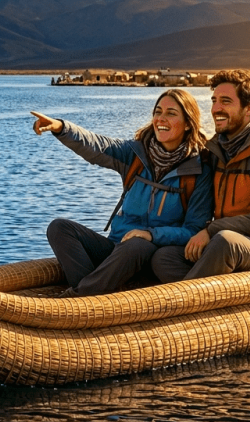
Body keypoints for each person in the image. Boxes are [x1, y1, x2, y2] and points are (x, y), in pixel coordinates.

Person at [32, 89, 214, 297]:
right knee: (59, 228)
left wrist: (150, 234)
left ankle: (78, 298)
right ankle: (94, 292)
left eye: (171, 113)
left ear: (189, 123)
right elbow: (97, 145)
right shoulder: (135, 154)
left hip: (151, 254)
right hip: (117, 248)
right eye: (158, 112)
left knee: (138, 245)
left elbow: (193, 230)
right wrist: (62, 128)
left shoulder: (199, 171)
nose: (161, 119)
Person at [150, 69, 250, 283]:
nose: (215, 109)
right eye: (214, 101)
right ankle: (208, 296)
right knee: (164, 258)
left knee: (225, 242)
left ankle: (181, 306)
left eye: (225, 101)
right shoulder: (218, 150)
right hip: (227, 246)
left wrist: (211, 230)